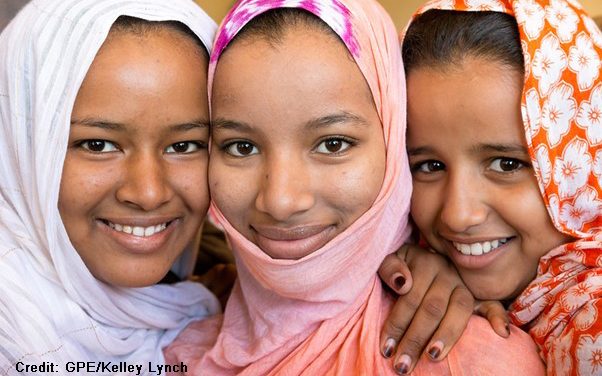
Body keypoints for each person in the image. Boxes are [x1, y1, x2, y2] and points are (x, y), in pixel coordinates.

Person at [165, 0, 545, 374]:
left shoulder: (480, 361)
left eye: (333, 144)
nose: (280, 201)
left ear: (394, 147)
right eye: (241, 147)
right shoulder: (166, 346)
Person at [380, 0, 602, 374]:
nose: (458, 215)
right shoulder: (401, 268)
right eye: (429, 166)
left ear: (581, 163)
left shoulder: (589, 324)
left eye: (507, 164)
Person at [0, 0, 220, 372]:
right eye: (98, 145)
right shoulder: (15, 340)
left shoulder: (219, 300)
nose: (149, 192)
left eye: (184, 146)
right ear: (21, 148)